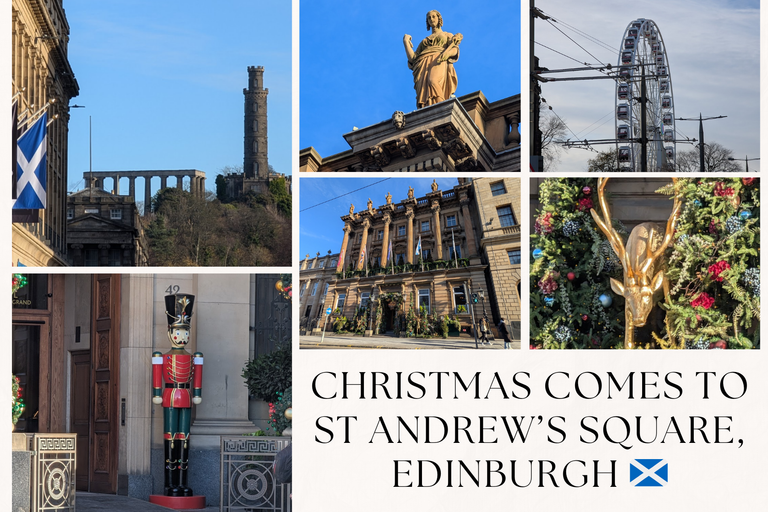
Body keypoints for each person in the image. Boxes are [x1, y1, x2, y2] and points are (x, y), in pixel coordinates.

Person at [403, 10, 463, 109]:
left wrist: (447, 53)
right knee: (424, 91)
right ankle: (428, 111)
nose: (431, 19)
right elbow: (413, 59)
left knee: (433, 80)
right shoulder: (424, 41)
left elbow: (455, 49)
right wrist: (405, 42)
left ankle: (442, 108)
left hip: (438, 59)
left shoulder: (447, 35)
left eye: (433, 17)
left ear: (439, 19)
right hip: (422, 64)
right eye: (429, 18)